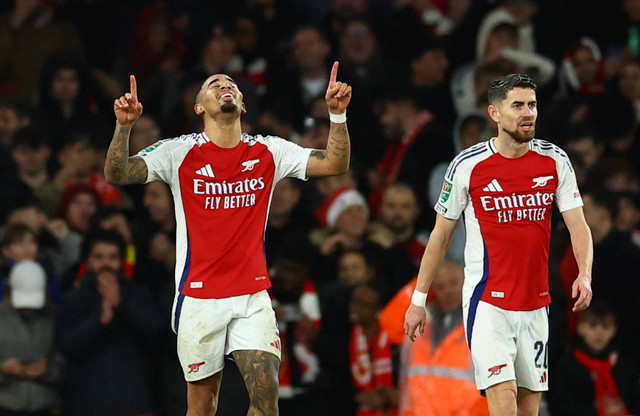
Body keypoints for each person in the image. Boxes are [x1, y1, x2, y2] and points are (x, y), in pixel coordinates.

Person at [103, 62, 352, 415]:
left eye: (231, 82)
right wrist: (123, 128)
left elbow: (333, 165)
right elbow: (118, 173)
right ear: (199, 106)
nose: (225, 85)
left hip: (251, 295)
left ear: (243, 105)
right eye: (214, 83)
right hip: (199, 297)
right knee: (203, 406)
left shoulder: (269, 151)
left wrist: (336, 116)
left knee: (267, 399)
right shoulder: (177, 151)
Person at [404, 73, 593, 416]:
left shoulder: (555, 160)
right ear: (494, 113)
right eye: (518, 105)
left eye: (532, 105)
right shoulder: (467, 166)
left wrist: (585, 275)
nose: (528, 113)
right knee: (502, 397)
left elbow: (578, 224)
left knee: (529, 406)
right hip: (488, 302)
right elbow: (440, 236)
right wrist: (419, 300)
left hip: (536, 303)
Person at [55, 230, 164, 416]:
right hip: (86, 405)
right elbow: (66, 347)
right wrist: (100, 322)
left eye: (113, 257)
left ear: (121, 261)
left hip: (135, 404)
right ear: (87, 260)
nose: (106, 263)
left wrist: (121, 305)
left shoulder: (139, 294)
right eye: (99, 257)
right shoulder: (72, 300)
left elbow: (158, 335)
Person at [399, 261, 489, 416]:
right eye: (440, 286)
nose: (448, 291)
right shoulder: (420, 325)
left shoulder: (483, 325)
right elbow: (405, 383)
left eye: (454, 283)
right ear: (432, 290)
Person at [549, 300, 640, 415]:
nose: (599, 333)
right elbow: (561, 407)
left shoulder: (626, 366)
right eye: (592, 325)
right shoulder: (566, 366)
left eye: (605, 326)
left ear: (614, 330)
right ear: (580, 327)